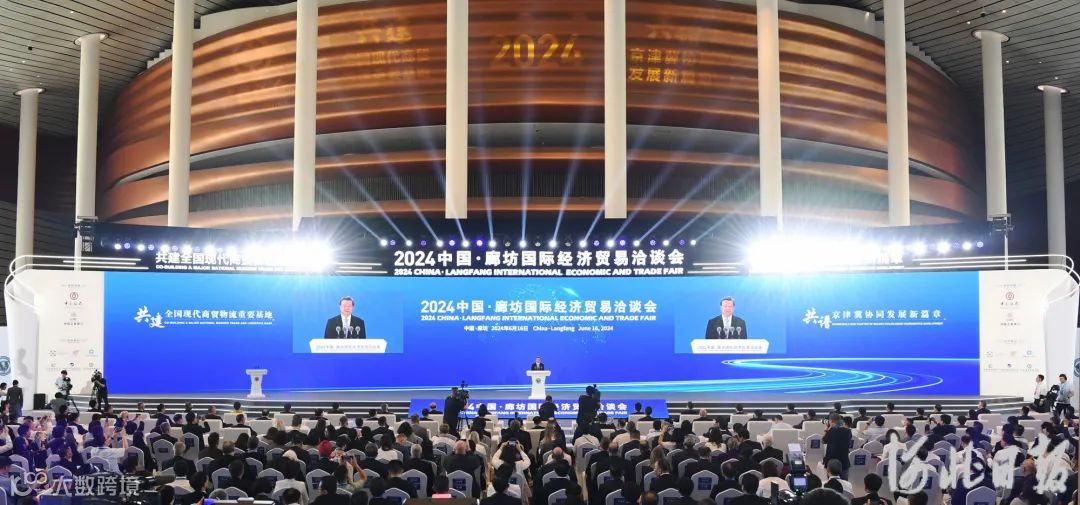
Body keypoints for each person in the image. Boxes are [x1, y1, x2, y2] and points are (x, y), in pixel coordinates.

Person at [822, 413, 851, 479]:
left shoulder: (830, 431)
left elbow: (823, 440)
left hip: (832, 463)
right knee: (844, 483)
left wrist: (826, 429)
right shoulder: (848, 431)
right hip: (844, 461)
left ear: (831, 421)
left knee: (832, 483)